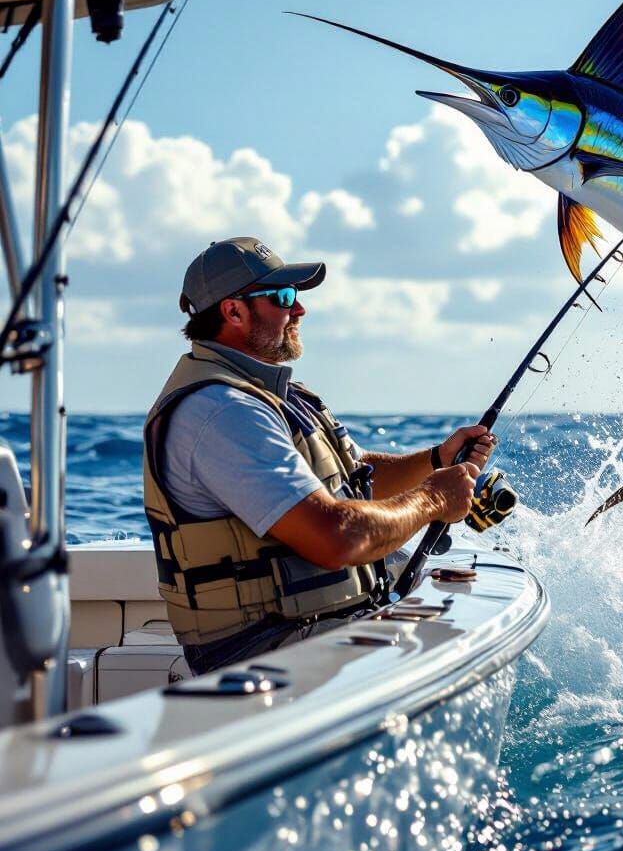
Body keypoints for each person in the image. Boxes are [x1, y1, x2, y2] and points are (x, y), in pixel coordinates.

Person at [143, 237, 495, 675]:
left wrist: (436, 460)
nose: (299, 309)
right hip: (264, 655)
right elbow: (336, 538)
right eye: (283, 297)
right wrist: (432, 499)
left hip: (316, 631)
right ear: (233, 312)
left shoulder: (277, 395)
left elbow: (357, 479)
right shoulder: (223, 411)